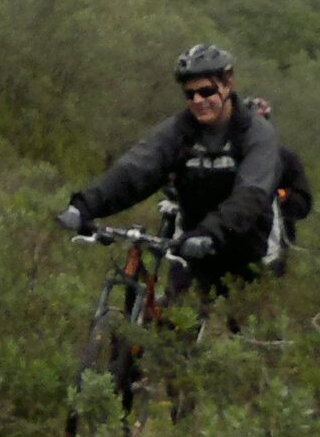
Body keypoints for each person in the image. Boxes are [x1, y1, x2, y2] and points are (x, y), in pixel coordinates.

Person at [56, 43, 290, 287]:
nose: (198, 100)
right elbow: (136, 169)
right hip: (192, 248)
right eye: (190, 94)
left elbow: (251, 194)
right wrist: (84, 206)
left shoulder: (257, 133)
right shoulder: (179, 131)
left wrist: (211, 232)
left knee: (242, 324)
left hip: (251, 253)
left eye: (207, 91)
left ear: (228, 83)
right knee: (172, 322)